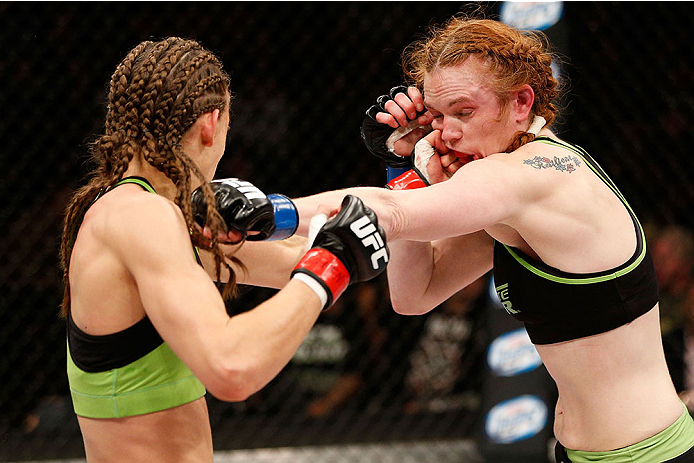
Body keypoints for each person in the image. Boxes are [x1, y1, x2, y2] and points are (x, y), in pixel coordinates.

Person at [293, 16, 694, 462]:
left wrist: (275, 211)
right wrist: (402, 169)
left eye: (464, 112)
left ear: (521, 102)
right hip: (577, 452)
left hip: (650, 455)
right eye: (439, 116)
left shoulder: (528, 174)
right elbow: (414, 294)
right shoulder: (509, 201)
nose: (447, 133)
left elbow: (394, 213)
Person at [58, 37, 388, 462]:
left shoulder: (146, 214)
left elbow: (306, 255)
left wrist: (402, 169)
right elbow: (233, 368)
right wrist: (331, 263)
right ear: (211, 125)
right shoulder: (142, 219)